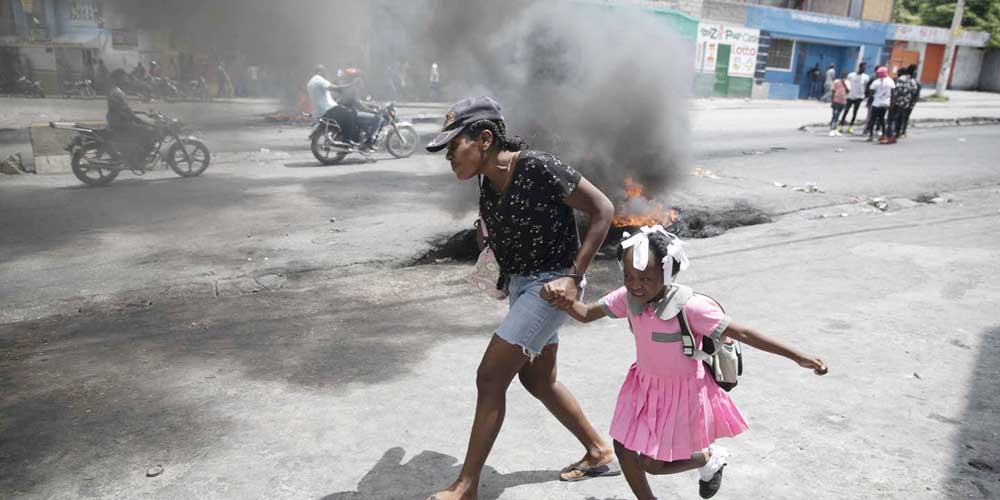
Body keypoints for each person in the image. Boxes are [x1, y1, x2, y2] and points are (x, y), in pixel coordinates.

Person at [425, 96, 618, 500]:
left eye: (452, 146)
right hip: (522, 287)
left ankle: (466, 486)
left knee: (491, 377)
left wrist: (573, 277)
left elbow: (603, 209)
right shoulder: (488, 182)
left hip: (551, 287)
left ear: (483, 138)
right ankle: (599, 452)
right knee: (537, 379)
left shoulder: (537, 167)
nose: (448, 157)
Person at [548, 226, 828, 500]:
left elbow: (742, 332)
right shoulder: (628, 298)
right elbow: (585, 314)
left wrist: (797, 355)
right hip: (643, 386)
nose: (635, 285)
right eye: (628, 276)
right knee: (623, 447)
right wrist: (561, 298)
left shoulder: (691, 307)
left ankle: (709, 457)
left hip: (682, 394)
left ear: (668, 273)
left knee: (652, 465)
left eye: (645, 278)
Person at [106, 69, 158, 166]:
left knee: (144, 130)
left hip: (118, 120)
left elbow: (125, 110)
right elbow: (124, 111)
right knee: (150, 133)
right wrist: (139, 120)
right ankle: (139, 160)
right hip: (119, 122)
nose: (126, 80)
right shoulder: (117, 92)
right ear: (118, 79)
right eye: (124, 78)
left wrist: (140, 114)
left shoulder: (116, 91)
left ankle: (134, 155)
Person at [306, 65, 357, 146]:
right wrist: (350, 85)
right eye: (324, 72)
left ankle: (341, 136)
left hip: (320, 111)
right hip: (329, 109)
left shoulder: (310, 82)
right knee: (351, 113)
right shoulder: (319, 79)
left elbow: (324, 93)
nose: (326, 74)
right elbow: (334, 88)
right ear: (319, 72)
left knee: (344, 116)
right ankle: (347, 139)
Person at [883, 65, 919, 144]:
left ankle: (890, 136)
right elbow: (914, 92)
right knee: (899, 119)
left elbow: (895, 92)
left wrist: (892, 102)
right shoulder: (913, 81)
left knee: (891, 120)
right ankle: (896, 134)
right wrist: (909, 103)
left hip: (897, 102)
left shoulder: (900, 79)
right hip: (905, 104)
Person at [865, 66, 894, 142]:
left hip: (876, 103)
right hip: (885, 104)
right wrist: (891, 104)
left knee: (872, 119)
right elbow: (893, 93)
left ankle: (871, 136)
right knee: (882, 119)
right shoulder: (890, 81)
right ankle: (883, 135)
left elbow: (871, 94)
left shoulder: (876, 82)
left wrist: (869, 102)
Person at [839, 62, 869, 134]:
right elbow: (847, 84)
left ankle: (851, 127)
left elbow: (866, 87)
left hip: (859, 97)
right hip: (850, 96)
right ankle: (840, 126)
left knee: (855, 112)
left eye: (865, 68)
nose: (864, 69)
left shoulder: (866, 77)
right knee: (846, 111)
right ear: (860, 67)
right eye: (863, 68)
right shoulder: (851, 75)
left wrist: (865, 95)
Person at [899, 64, 921, 139]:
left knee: (904, 117)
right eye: (915, 71)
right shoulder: (914, 83)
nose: (916, 73)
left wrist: (912, 103)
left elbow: (916, 95)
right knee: (903, 117)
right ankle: (901, 131)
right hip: (906, 102)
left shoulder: (915, 83)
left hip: (906, 102)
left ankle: (902, 131)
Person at [828, 71, 850, 137]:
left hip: (843, 101)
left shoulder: (847, 82)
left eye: (844, 75)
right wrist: (832, 101)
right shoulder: (836, 81)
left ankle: (835, 129)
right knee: (835, 115)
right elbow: (833, 91)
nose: (843, 76)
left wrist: (844, 83)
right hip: (835, 100)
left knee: (838, 115)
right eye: (842, 74)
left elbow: (848, 91)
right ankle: (832, 129)